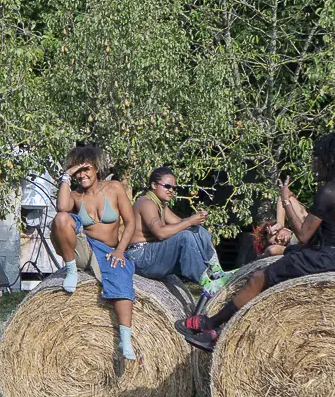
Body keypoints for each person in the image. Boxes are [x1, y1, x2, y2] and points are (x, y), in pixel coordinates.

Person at [177, 132, 335, 351]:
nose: (313, 164)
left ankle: (210, 326)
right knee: (282, 261)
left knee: (259, 277)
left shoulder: (328, 191)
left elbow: (304, 234)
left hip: (324, 258)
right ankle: (226, 330)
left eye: (316, 158)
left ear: (329, 160)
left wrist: (286, 199)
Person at [50, 143, 140, 360]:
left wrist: (120, 250)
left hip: (109, 251)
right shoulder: (75, 196)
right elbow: (62, 208)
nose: (82, 175)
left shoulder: (114, 188)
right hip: (85, 249)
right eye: (77, 171)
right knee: (62, 218)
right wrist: (66, 175)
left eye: (86, 169)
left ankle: (125, 339)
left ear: (96, 168)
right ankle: (71, 269)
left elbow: (130, 223)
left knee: (121, 275)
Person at [126, 167, 229, 295]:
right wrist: (189, 221)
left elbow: (181, 224)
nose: (171, 191)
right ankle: (205, 284)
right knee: (185, 236)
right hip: (140, 257)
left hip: (151, 254)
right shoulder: (146, 203)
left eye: (174, 188)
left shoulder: (160, 204)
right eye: (167, 186)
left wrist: (196, 220)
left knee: (196, 230)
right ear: (153, 185)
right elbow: (161, 233)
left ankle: (216, 271)